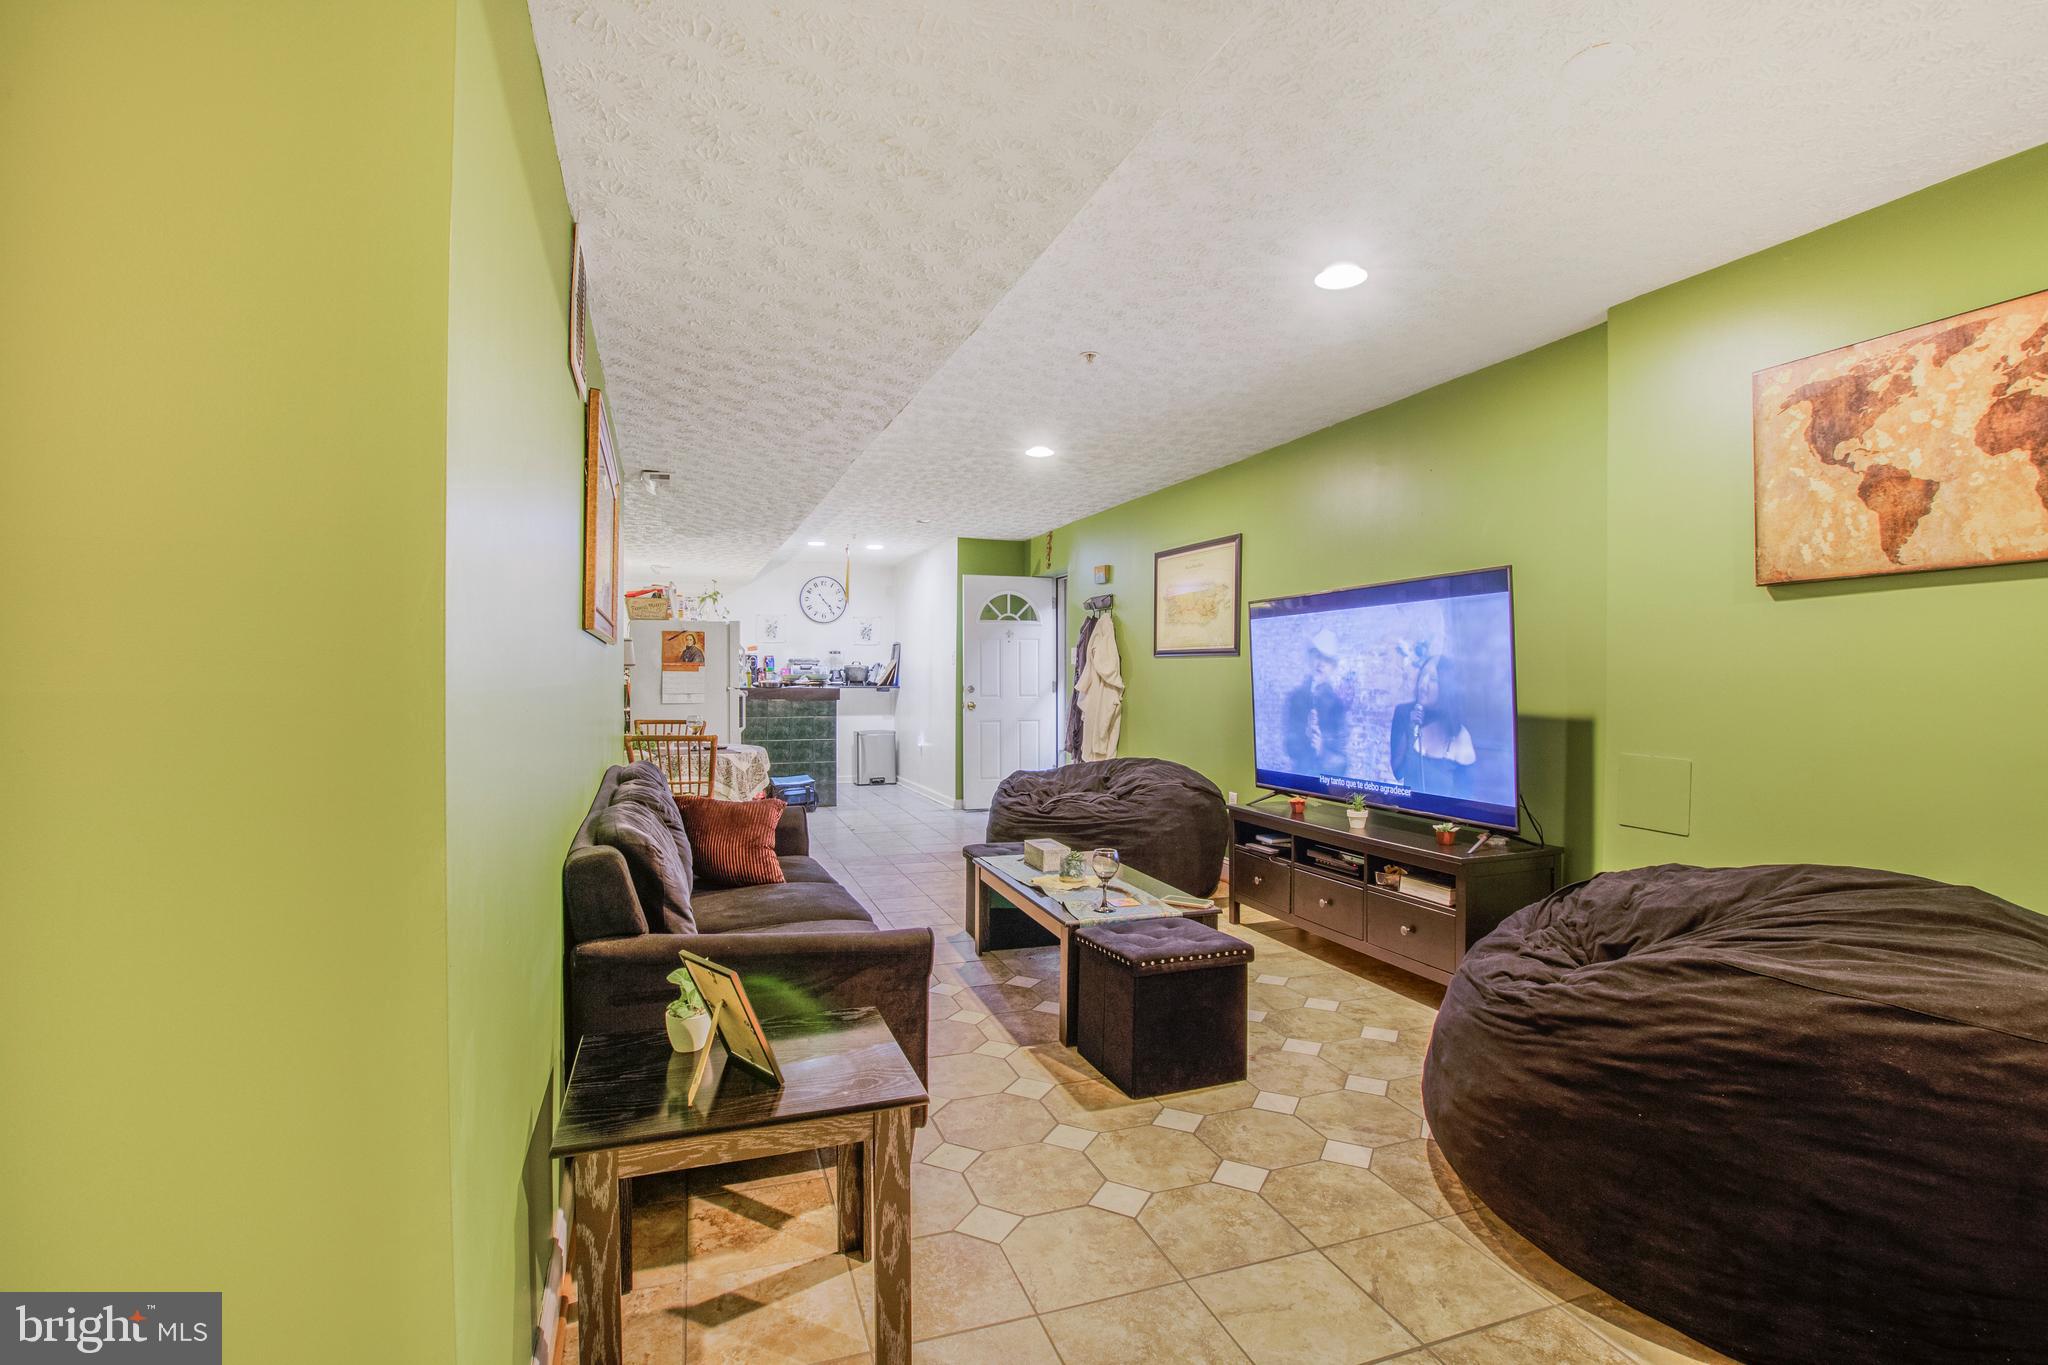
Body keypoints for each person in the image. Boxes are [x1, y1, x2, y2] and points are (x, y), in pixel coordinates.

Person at [1389, 652, 1476, 797]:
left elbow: (1465, 797)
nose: (1423, 685)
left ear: (1446, 686)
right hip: (1407, 807)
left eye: (1433, 679)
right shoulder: (1404, 714)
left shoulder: (1459, 734)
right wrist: (1410, 729)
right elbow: (1398, 772)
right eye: (1423, 675)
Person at [1283, 629, 1353, 776]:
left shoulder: (1337, 706)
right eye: (1317, 656)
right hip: (1299, 778)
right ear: (1310, 658)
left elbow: (1342, 763)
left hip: (1328, 782)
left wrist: (1322, 750)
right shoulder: (1296, 698)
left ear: (1333, 667)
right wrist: (1305, 735)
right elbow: (1290, 748)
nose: (1320, 663)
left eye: (1326, 660)